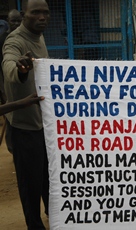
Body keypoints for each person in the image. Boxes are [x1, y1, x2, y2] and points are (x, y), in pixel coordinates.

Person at [2, 0, 50, 229]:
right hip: (24, 127)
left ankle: (56, 216)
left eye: (45, 13)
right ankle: (34, 225)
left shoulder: (39, 37)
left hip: (44, 124)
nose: (42, 17)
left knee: (48, 178)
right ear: (24, 15)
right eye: (36, 13)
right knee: (30, 184)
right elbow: (10, 64)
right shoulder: (15, 40)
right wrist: (20, 70)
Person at [0, 9, 22, 154]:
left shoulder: (24, 38)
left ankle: (16, 145)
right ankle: (12, 146)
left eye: (18, 21)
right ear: (8, 21)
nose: (15, 23)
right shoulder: (3, 38)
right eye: (13, 21)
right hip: (4, 78)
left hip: (19, 80)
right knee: (9, 112)